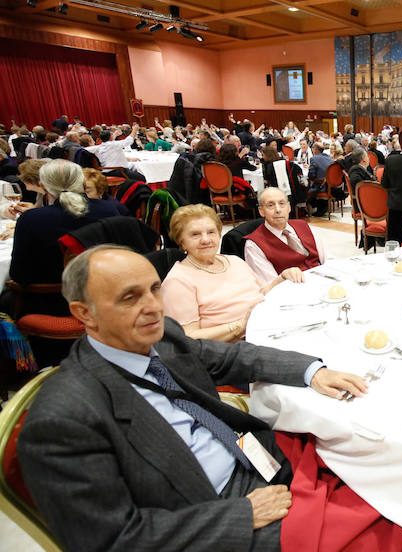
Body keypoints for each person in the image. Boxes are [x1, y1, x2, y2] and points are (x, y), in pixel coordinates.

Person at [18, 245, 369, 552]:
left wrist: (312, 371)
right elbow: (110, 539)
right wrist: (239, 515)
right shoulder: (63, 419)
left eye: (154, 290)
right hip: (209, 514)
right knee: (389, 536)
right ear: (84, 314)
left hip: (253, 456)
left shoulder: (161, 336)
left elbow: (231, 358)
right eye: (129, 297)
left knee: (376, 475)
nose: (153, 307)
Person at [160, 204, 304, 342]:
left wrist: (281, 278)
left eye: (211, 232)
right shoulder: (177, 281)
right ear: (182, 242)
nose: (206, 240)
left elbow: (259, 293)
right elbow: (188, 338)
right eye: (195, 235)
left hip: (267, 328)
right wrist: (241, 326)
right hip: (234, 348)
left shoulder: (234, 261)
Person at [10, 159, 126, 294]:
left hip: (48, 303)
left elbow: (18, 274)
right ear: (83, 184)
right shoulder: (108, 209)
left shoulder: (30, 219)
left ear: (44, 186)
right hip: (102, 295)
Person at [244, 188, 324, 283]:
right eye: (270, 205)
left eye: (282, 204)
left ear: (289, 207)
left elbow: (327, 260)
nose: (278, 210)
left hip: (322, 282)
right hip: (291, 291)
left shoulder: (304, 225)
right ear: (261, 211)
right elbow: (270, 286)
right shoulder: (254, 245)